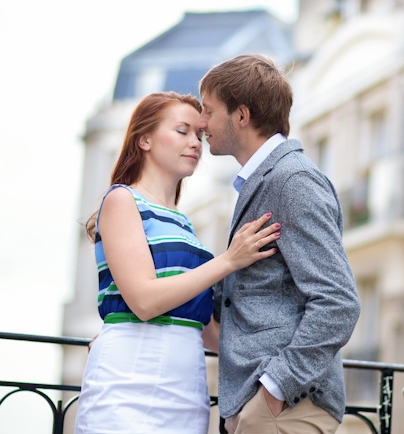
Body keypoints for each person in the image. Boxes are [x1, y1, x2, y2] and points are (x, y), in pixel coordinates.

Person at [74, 91, 281, 434]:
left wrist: (282, 348)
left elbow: (204, 328)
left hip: (186, 385)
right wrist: (229, 260)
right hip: (128, 380)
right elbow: (143, 301)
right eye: (182, 131)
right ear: (144, 139)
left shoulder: (183, 223)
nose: (196, 143)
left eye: (199, 135)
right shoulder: (122, 200)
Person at [197, 54, 361, 434]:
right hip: (262, 406)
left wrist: (275, 388)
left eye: (208, 110)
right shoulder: (265, 180)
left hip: (285, 406)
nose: (200, 123)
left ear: (241, 115)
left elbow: (339, 302)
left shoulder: (292, 181)